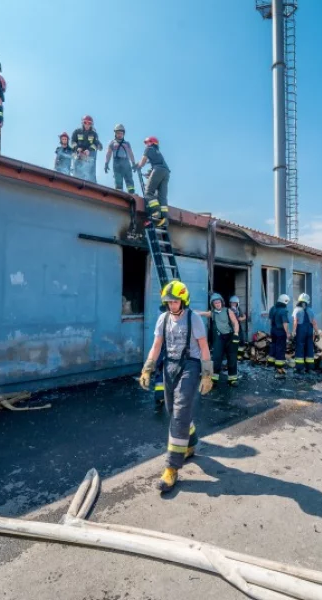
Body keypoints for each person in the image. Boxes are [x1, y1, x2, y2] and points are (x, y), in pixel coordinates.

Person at [139, 280, 214, 493]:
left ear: (184, 300)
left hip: (190, 365)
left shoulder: (194, 319)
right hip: (169, 366)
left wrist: (207, 375)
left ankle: (171, 467)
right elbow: (156, 346)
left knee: (179, 414)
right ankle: (190, 442)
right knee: (172, 411)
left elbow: (203, 347)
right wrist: (147, 368)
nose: (171, 305)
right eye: (169, 302)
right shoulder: (163, 319)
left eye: (175, 301)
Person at [196, 293, 240, 387]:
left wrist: (236, 334)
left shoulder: (228, 311)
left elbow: (235, 322)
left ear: (222, 302)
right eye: (215, 303)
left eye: (218, 302)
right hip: (219, 339)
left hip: (230, 337)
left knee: (232, 359)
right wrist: (189, 312)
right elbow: (201, 313)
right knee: (216, 358)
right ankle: (214, 379)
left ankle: (232, 379)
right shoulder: (212, 313)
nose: (217, 304)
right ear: (213, 304)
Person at [133, 136, 169, 228]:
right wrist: (149, 174)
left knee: (148, 192)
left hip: (158, 170)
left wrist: (138, 166)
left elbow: (143, 161)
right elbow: (157, 165)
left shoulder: (148, 149)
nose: (146, 145)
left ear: (152, 143)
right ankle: (164, 218)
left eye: (147, 142)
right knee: (162, 196)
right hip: (166, 172)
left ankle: (156, 211)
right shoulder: (158, 152)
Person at [104, 124, 137, 195]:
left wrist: (133, 163)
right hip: (117, 163)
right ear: (115, 133)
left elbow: (131, 153)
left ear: (123, 134)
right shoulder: (112, 143)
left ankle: (132, 194)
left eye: (121, 133)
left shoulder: (127, 143)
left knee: (129, 179)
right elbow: (108, 153)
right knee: (118, 180)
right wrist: (106, 163)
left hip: (126, 162)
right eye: (118, 133)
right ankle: (119, 194)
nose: (119, 135)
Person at [292, 293, 319, 373]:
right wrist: (317, 332)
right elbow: (314, 322)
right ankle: (309, 368)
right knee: (309, 348)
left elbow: (295, 321)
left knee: (300, 347)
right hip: (309, 331)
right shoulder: (310, 310)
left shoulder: (296, 310)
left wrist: (293, 331)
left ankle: (300, 368)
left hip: (301, 331)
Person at [70, 115, 102, 182]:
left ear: (91, 124)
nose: (87, 125)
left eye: (89, 123)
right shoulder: (77, 131)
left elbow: (95, 144)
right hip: (78, 156)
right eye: (85, 122)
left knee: (89, 175)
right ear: (82, 123)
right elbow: (72, 142)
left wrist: (89, 150)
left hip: (88, 157)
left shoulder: (94, 134)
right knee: (77, 175)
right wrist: (77, 148)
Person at [268, 294, 292, 376]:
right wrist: (287, 333)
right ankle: (279, 366)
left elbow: (271, 321)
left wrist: (272, 329)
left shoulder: (272, 308)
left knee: (273, 345)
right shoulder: (284, 310)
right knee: (280, 347)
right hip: (280, 331)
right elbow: (285, 323)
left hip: (273, 330)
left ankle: (270, 363)